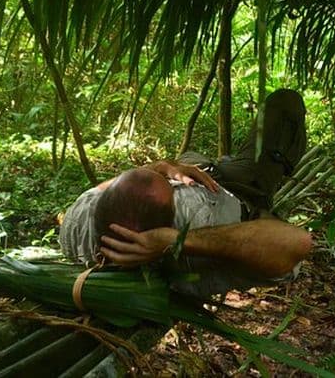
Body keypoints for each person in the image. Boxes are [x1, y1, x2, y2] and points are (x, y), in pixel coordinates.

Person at [59, 89, 312, 297]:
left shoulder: (78, 220)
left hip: (199, 169)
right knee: (284, 102)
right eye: (170, 190)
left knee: (193, 160)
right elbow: (297, 242)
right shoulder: (192, 252)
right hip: (242, 190)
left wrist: (163, 168)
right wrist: (178, 240)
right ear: (165, 227)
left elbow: (116, 185)